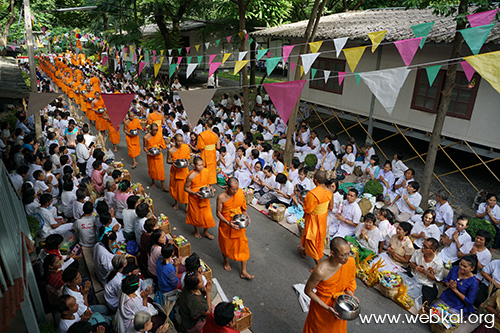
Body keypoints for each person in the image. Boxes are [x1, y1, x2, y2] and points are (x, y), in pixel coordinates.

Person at [303, 237, 357, 333]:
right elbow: (308, 291)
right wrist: (327, 308)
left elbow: (349, 282)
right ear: (332, 253)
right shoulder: (321, 271)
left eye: (348, 254)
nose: (347, 258)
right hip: (322, 309)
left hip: (339, 305)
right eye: (343, 255)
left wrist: (350, 295)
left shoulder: (350, 262)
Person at [216, 177, 254, 279]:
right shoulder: (221, 197)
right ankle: (226, 261)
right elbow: (218, 213)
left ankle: (244, 271)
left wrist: (247, 217)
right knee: (226, 245)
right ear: (227, 187)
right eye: (233, 189)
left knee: (243, 247)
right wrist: (228, 223)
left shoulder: (240, 192)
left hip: (238, 224)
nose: (235, 191)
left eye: (237, 188)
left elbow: (242, 209)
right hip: (226, 225)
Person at [297, 171, 332, 266]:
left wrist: (301, 201)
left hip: (314, 220)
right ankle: (304, 252)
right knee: (318, 239)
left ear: (315, 180)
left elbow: (308, 210)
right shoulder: (330, 191)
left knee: (312, 240)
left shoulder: (312, 194)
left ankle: (318, 266)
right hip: (323, 218)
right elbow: (331, 207)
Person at [185, 157, 216, 240]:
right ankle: (196, 231)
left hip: (204, 196)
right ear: (194, 165)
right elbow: (186, 188)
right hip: (194, 198)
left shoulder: (206, 171)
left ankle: (205, 231)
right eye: (199, 165)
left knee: (207, 216)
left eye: (202, 165)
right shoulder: (191, 176)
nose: (201, 167)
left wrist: (211, 190)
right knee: (195, 216)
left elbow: (208, 184)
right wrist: (195, 193)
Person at [409, 238, 444, 304]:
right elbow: (411, 262)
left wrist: (425, 272)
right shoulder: (418, 252)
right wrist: (416, 267)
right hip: (414, 276)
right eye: (423, 245)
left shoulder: (438, 264)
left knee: (424, 302)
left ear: (433, 250)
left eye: (426, 247)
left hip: (427, 284)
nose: (422, 248)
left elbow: (437, 279)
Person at [167, 133, 191, 211]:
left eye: (181, 141)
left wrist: (187, 163)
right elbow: (168, 161)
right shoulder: (171, 150)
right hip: (175, 170)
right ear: (174, 140)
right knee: (175, 188)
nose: (180, 143)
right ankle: (176, 203)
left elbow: (188, 158)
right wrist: (173, 163)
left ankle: (186, 205)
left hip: (184, 171)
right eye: (178, 141)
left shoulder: (185, 147)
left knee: (185, 189)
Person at [143, 123, 168, 191]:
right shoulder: (146, 137)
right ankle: (153, 182)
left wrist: (160, 149)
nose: (155, 132)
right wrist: (148, 152)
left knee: (161, 170)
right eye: (154, 130)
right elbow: (144, 147)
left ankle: (163, 186)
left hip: (158, 155)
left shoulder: (159, 135)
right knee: (152, 169)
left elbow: (161, 145)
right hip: (150, 155)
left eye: (157, 130)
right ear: (150, 129)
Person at [197, 119, 220, 185]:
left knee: (204, 168)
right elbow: (218, 147)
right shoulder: (216, 135)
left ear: (206, 125)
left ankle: (204, 183)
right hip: (212, 153)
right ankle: (210, 185)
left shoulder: (202, 135)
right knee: (211, 169)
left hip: (205, 153)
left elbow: (200, 146)